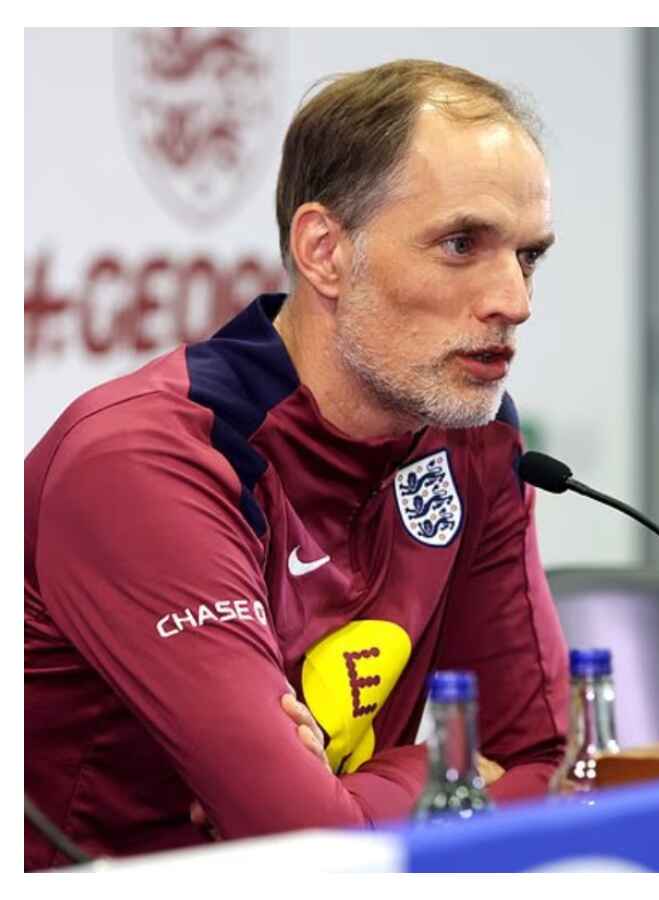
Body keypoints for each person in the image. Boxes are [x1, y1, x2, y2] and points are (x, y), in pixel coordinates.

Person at [24, 59, 568, 869]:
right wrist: (441, 773)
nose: (514, 301)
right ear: (324, 251)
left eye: (527, 256)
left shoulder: (474, 439)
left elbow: (552, 769)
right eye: (462, 244)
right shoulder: (147, 460)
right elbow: (306, 846)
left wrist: (362, 796)